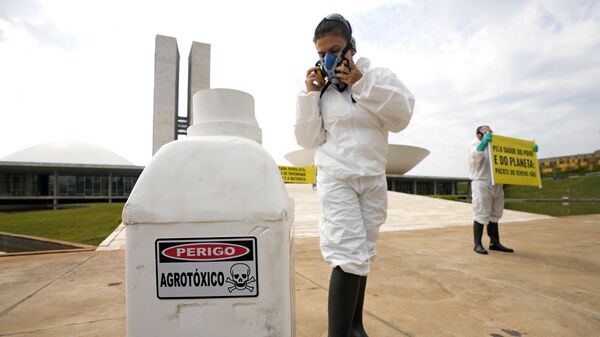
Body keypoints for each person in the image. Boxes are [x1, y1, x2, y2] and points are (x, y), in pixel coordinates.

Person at [295, 13, 415, 337]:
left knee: (363, 251)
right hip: (336, 176)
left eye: (334, 49)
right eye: (321, 53)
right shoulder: (321, 93)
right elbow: (308, 141)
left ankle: (355, 325)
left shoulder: (376, 76)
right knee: (347, 252)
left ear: (351, 46)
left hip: (372, 178)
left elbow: (402, 114)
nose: (328, 58)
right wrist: (308, 97)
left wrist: (361, 82)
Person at [468, 125, 538, 255]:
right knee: (481, 212)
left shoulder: (496, 145)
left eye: (490, 131)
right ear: (478, 134)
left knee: (495, 214)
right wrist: (483, 144)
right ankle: (477, 244)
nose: (489, 133)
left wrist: (530, 152)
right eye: (485, 132)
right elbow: (475, 159)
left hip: (497, 183)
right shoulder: (474, 144)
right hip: (482, 183)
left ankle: (494, 242)